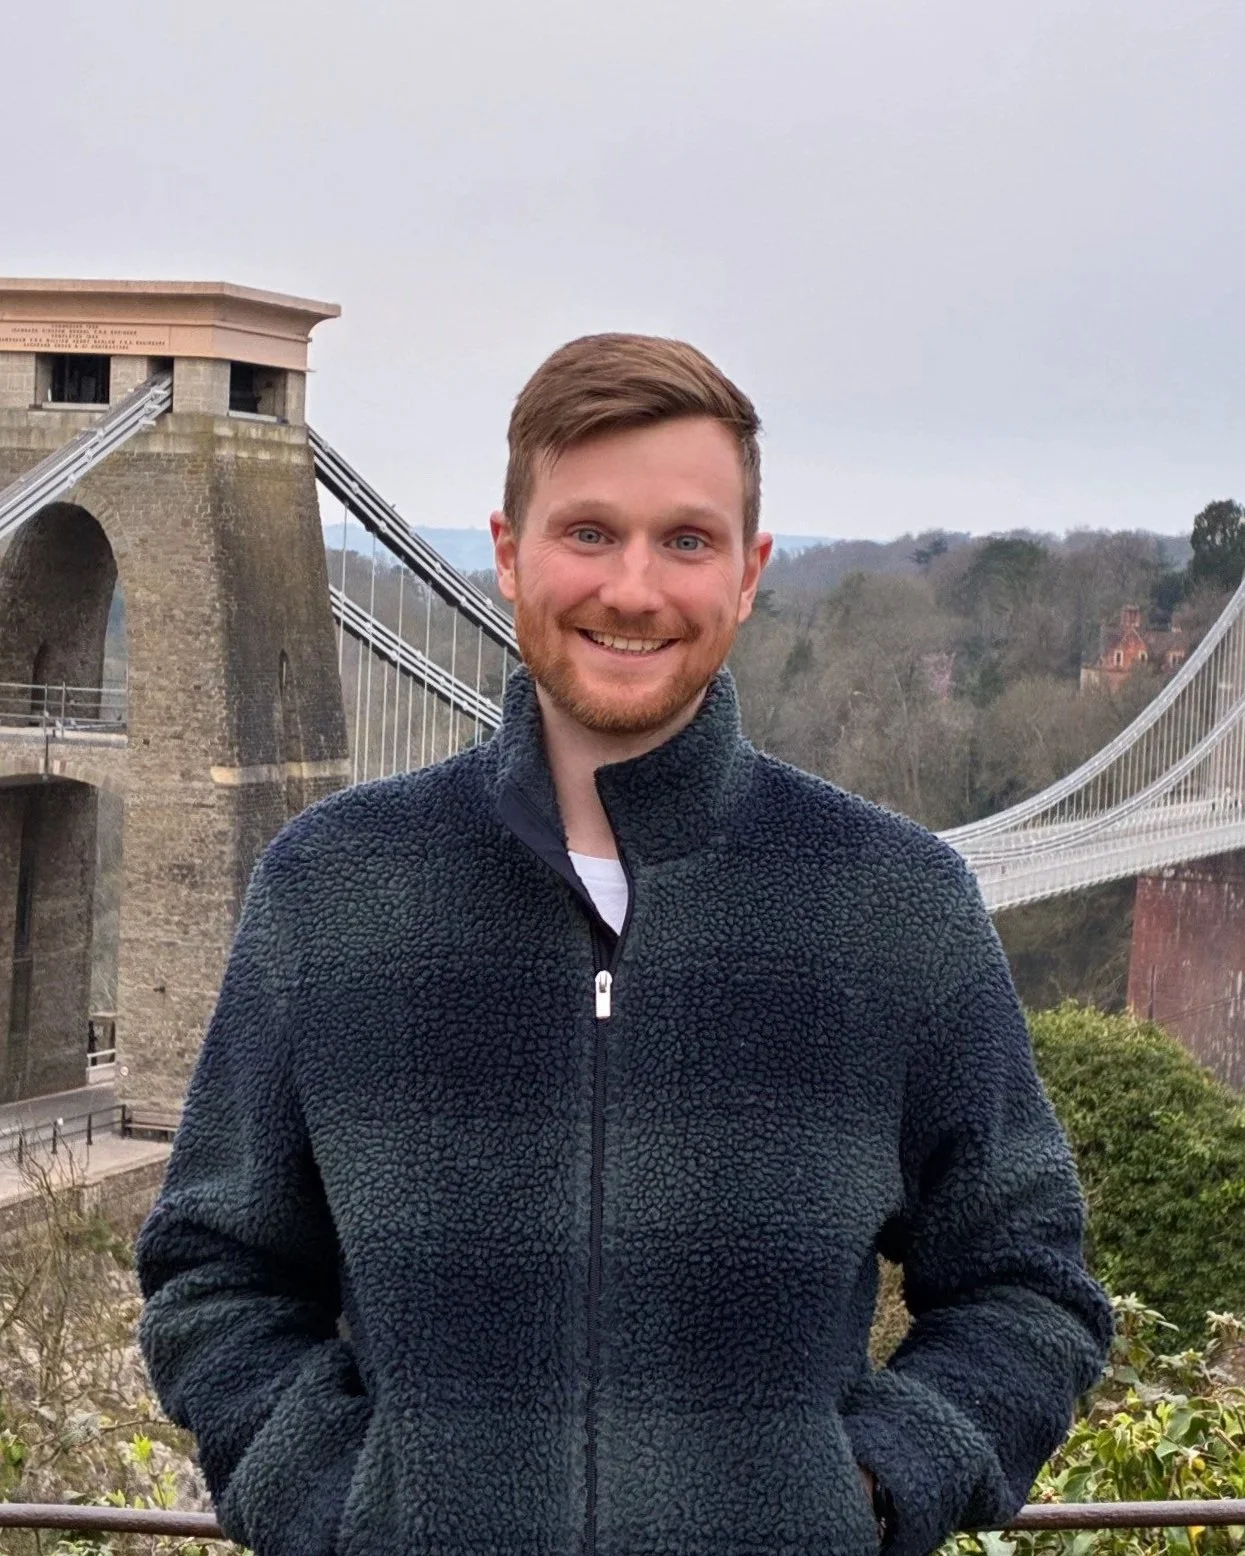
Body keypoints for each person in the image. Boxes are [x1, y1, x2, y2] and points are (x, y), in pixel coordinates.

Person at [136, 334, 1112, 1556]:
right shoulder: (335, 889)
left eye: (686, 540)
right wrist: (336, 1504)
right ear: (506, 554)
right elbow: (213, 1274)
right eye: (588, 531)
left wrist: (860, 1487)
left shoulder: (892, 905)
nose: (635, 588)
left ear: (750, 574)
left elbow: (1030, 1286)